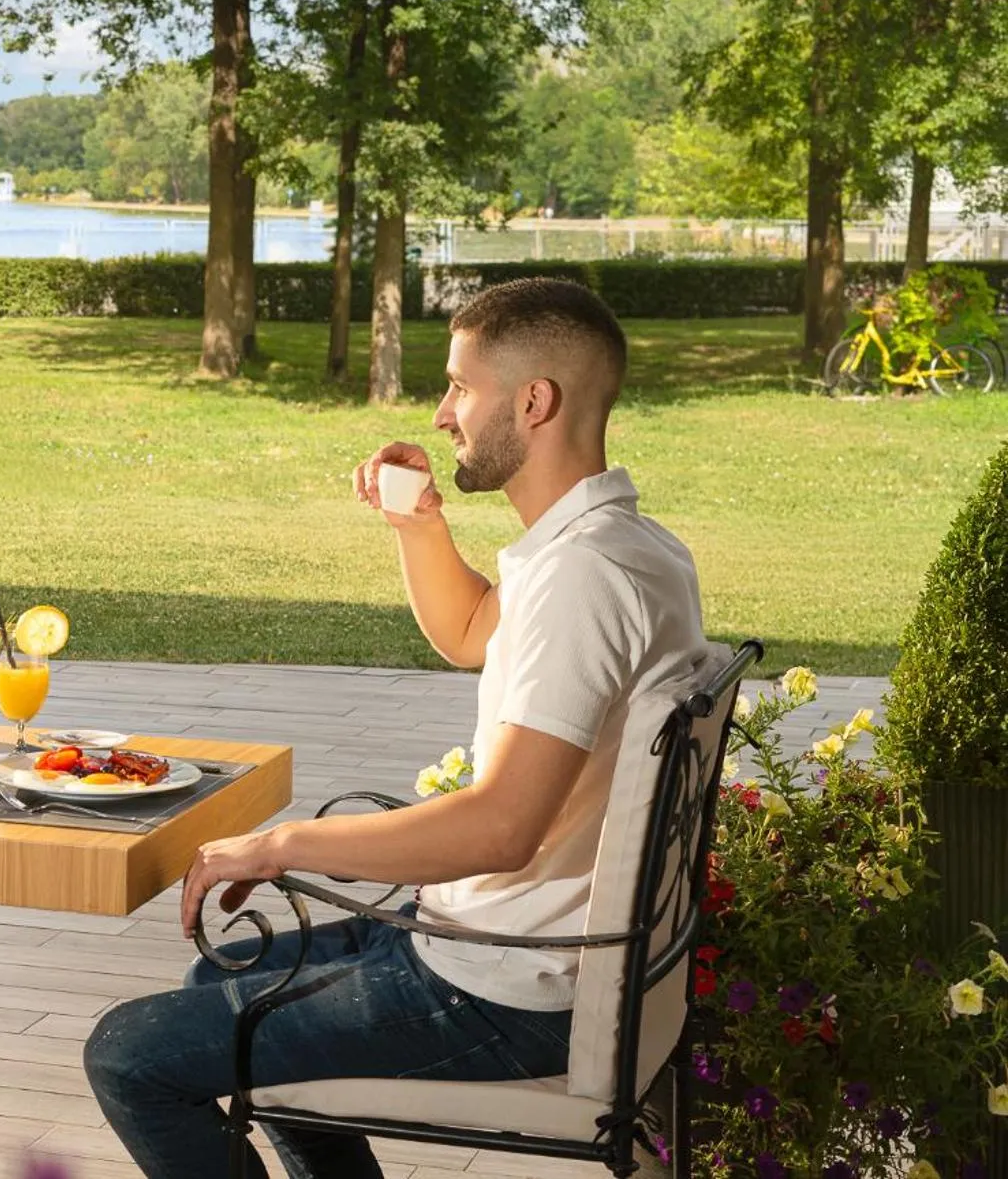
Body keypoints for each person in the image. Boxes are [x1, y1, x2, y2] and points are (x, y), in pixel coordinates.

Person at [84, 278, 708, 1179]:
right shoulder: (629, 548)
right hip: (515, 949)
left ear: (534, 402)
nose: (444, 412)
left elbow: (502, 826)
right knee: (218, 982)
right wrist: (418, 526)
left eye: (461, 385)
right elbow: (469, 634)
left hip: (500, 986)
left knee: (130, 1053)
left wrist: (280, 845)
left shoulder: (584, 582)